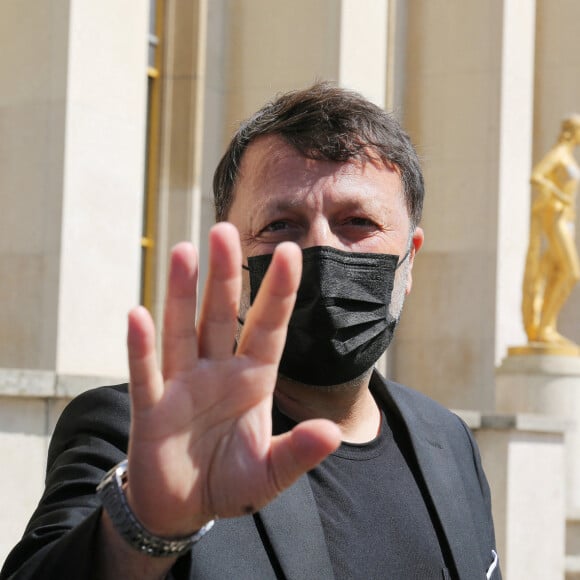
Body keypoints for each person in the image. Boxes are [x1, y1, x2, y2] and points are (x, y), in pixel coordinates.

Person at [1, 83, 501, 580]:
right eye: (280, 224)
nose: (320, 252)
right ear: (232, 251)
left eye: (357, 221)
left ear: (409, 259)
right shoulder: (136, 436)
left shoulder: (448, 442)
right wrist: (143, 530)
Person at [522, 114, 580, 349]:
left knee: (555, 273)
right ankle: (544, 326)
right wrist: (560, 195)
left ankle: (548, 327)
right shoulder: (558, 154)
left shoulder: (568, 157)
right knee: (572, 273)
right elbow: (536, 177)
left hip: (566, 220)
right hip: (554, 218)